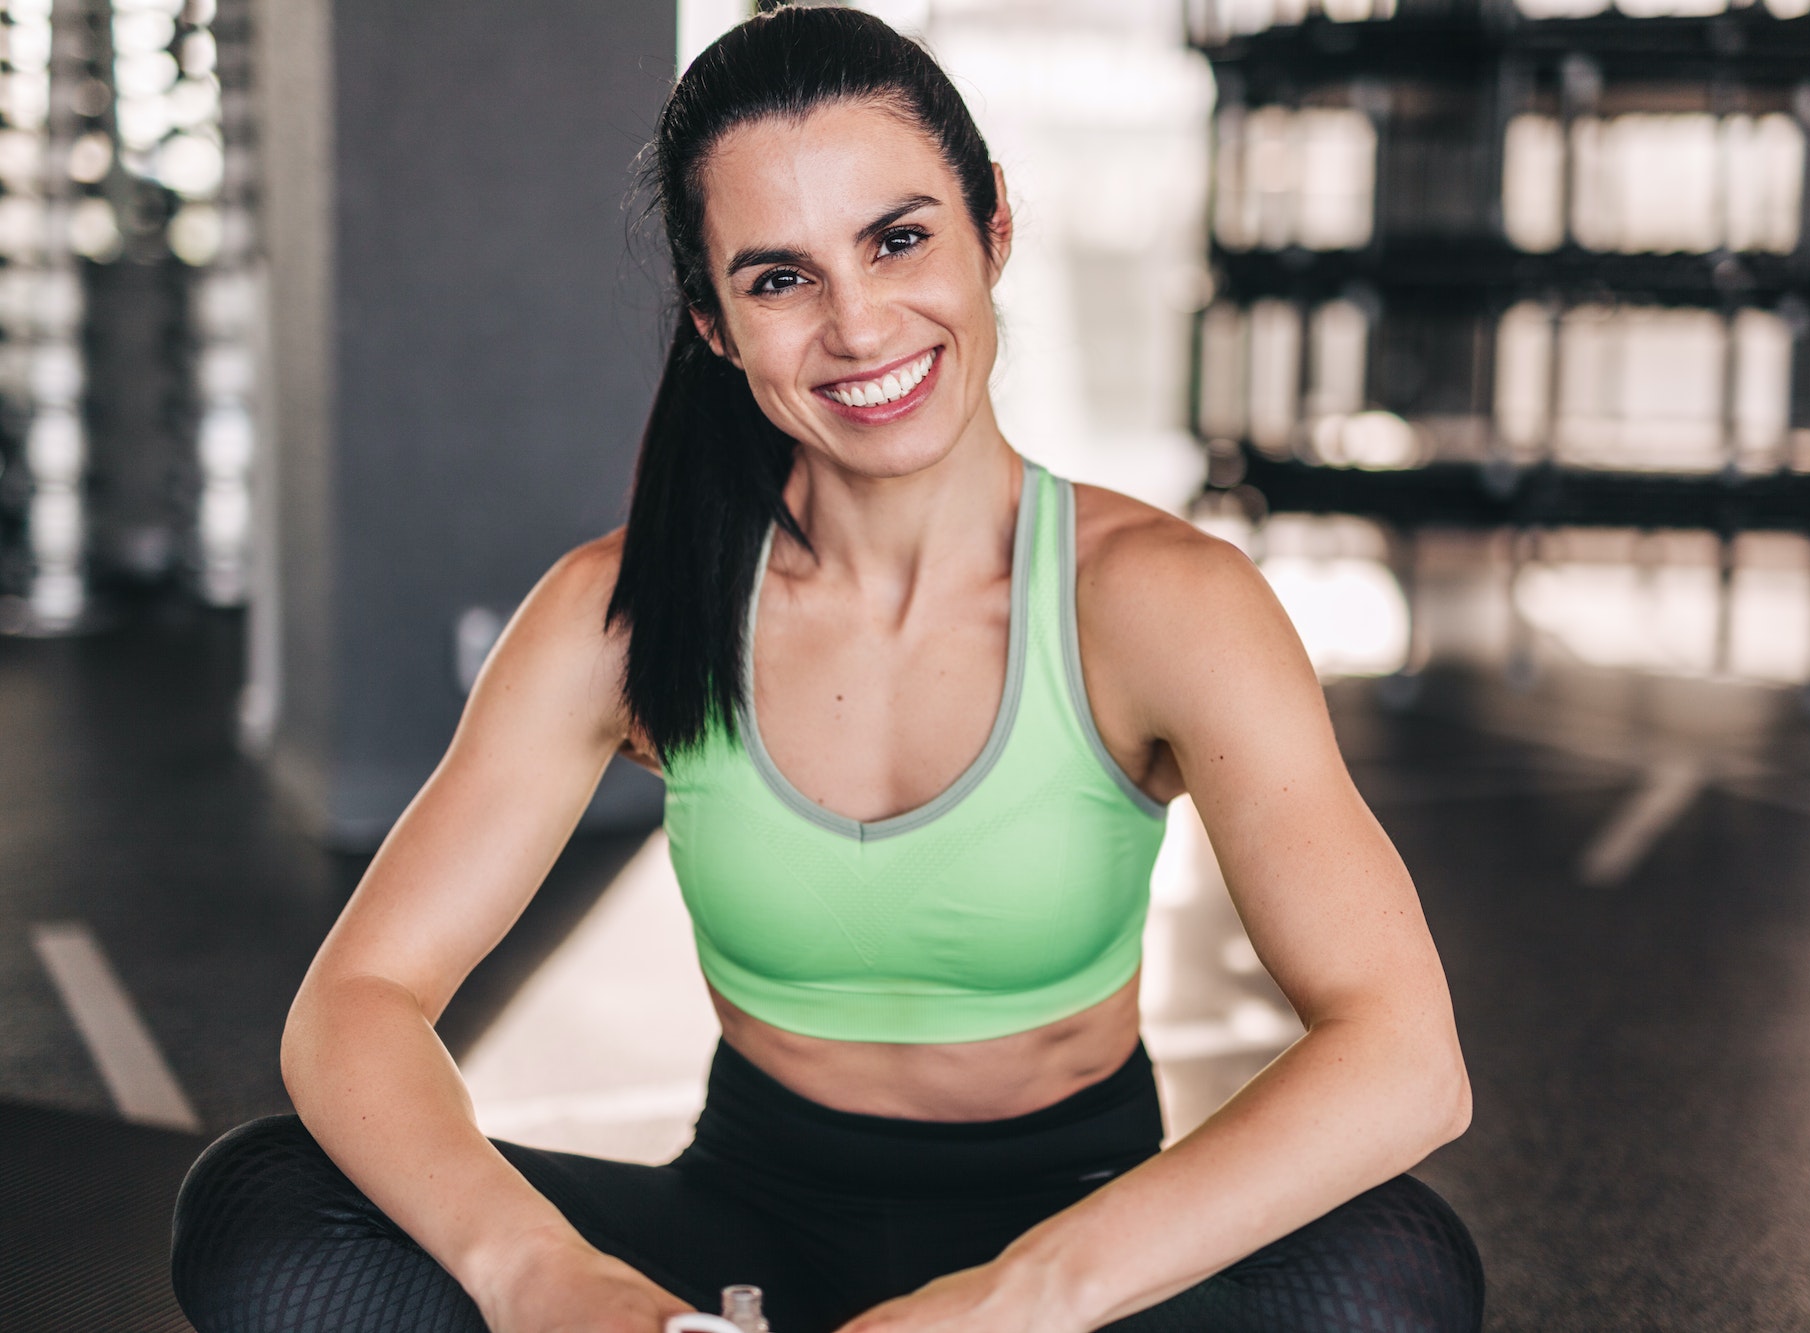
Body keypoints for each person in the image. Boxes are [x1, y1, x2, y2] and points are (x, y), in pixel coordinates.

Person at [170, 8, 1482, 1332]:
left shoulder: (1160, 603)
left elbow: (1405, 1056)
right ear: (716, 323)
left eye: (899, 239)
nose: (859, 325)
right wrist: (543, 1276)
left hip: (1074, 1259)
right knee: (268, 1209)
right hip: (739, 1244)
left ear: (995, 231)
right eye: (780, 278)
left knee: (1388, 1274)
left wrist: (1011, 1302)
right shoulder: (622, 613)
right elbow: (358, 1001)